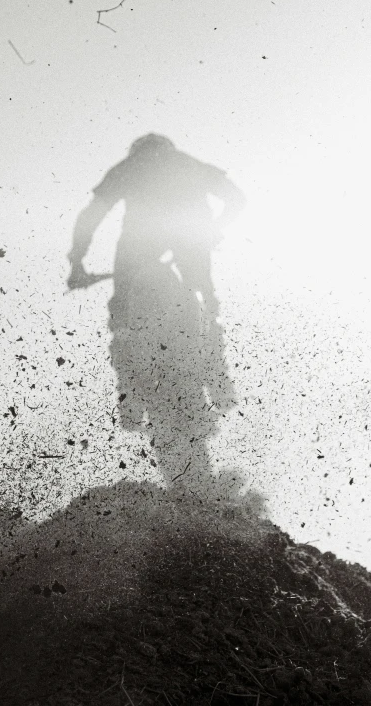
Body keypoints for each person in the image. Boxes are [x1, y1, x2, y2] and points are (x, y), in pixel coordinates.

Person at [67, 134, 246, 498]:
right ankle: (220, 384)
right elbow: (237, 198)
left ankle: (131, 398)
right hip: (190, 246)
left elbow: (91, 214)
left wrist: (77, 261)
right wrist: (214, 229)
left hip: (140, 251)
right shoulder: (189, 164)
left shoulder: (132, 166)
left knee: (125, 325)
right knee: (206, 311)